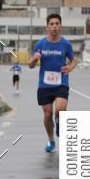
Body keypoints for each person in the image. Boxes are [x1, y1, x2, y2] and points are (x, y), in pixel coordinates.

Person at [28, 13, 76, 153]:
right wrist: (34, 59)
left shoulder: (66, 44)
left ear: (60, 26)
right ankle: (51, 140)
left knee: (60, 109)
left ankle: (60, 121)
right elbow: (30, 65)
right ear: (47, 27)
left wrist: (70, 68)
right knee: (48, 114)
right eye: (52, 24)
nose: (54, 26)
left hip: (61, 82)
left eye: (57, 24)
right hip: (45, 84)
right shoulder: (40, 44)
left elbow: (74, 60)